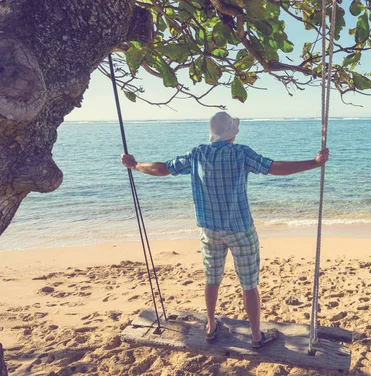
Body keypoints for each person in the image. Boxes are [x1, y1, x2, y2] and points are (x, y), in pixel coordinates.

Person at [121, 111, 329, 349]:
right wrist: (313, 163)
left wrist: (135, 165)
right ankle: (255, 337)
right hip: (240, 229)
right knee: (249, 284)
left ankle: (210, 327)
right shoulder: (241, 153)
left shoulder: (197, 153)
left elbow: (162, 169)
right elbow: (275, 168)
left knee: (212, 279)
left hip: (210, 230)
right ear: (232, 133)